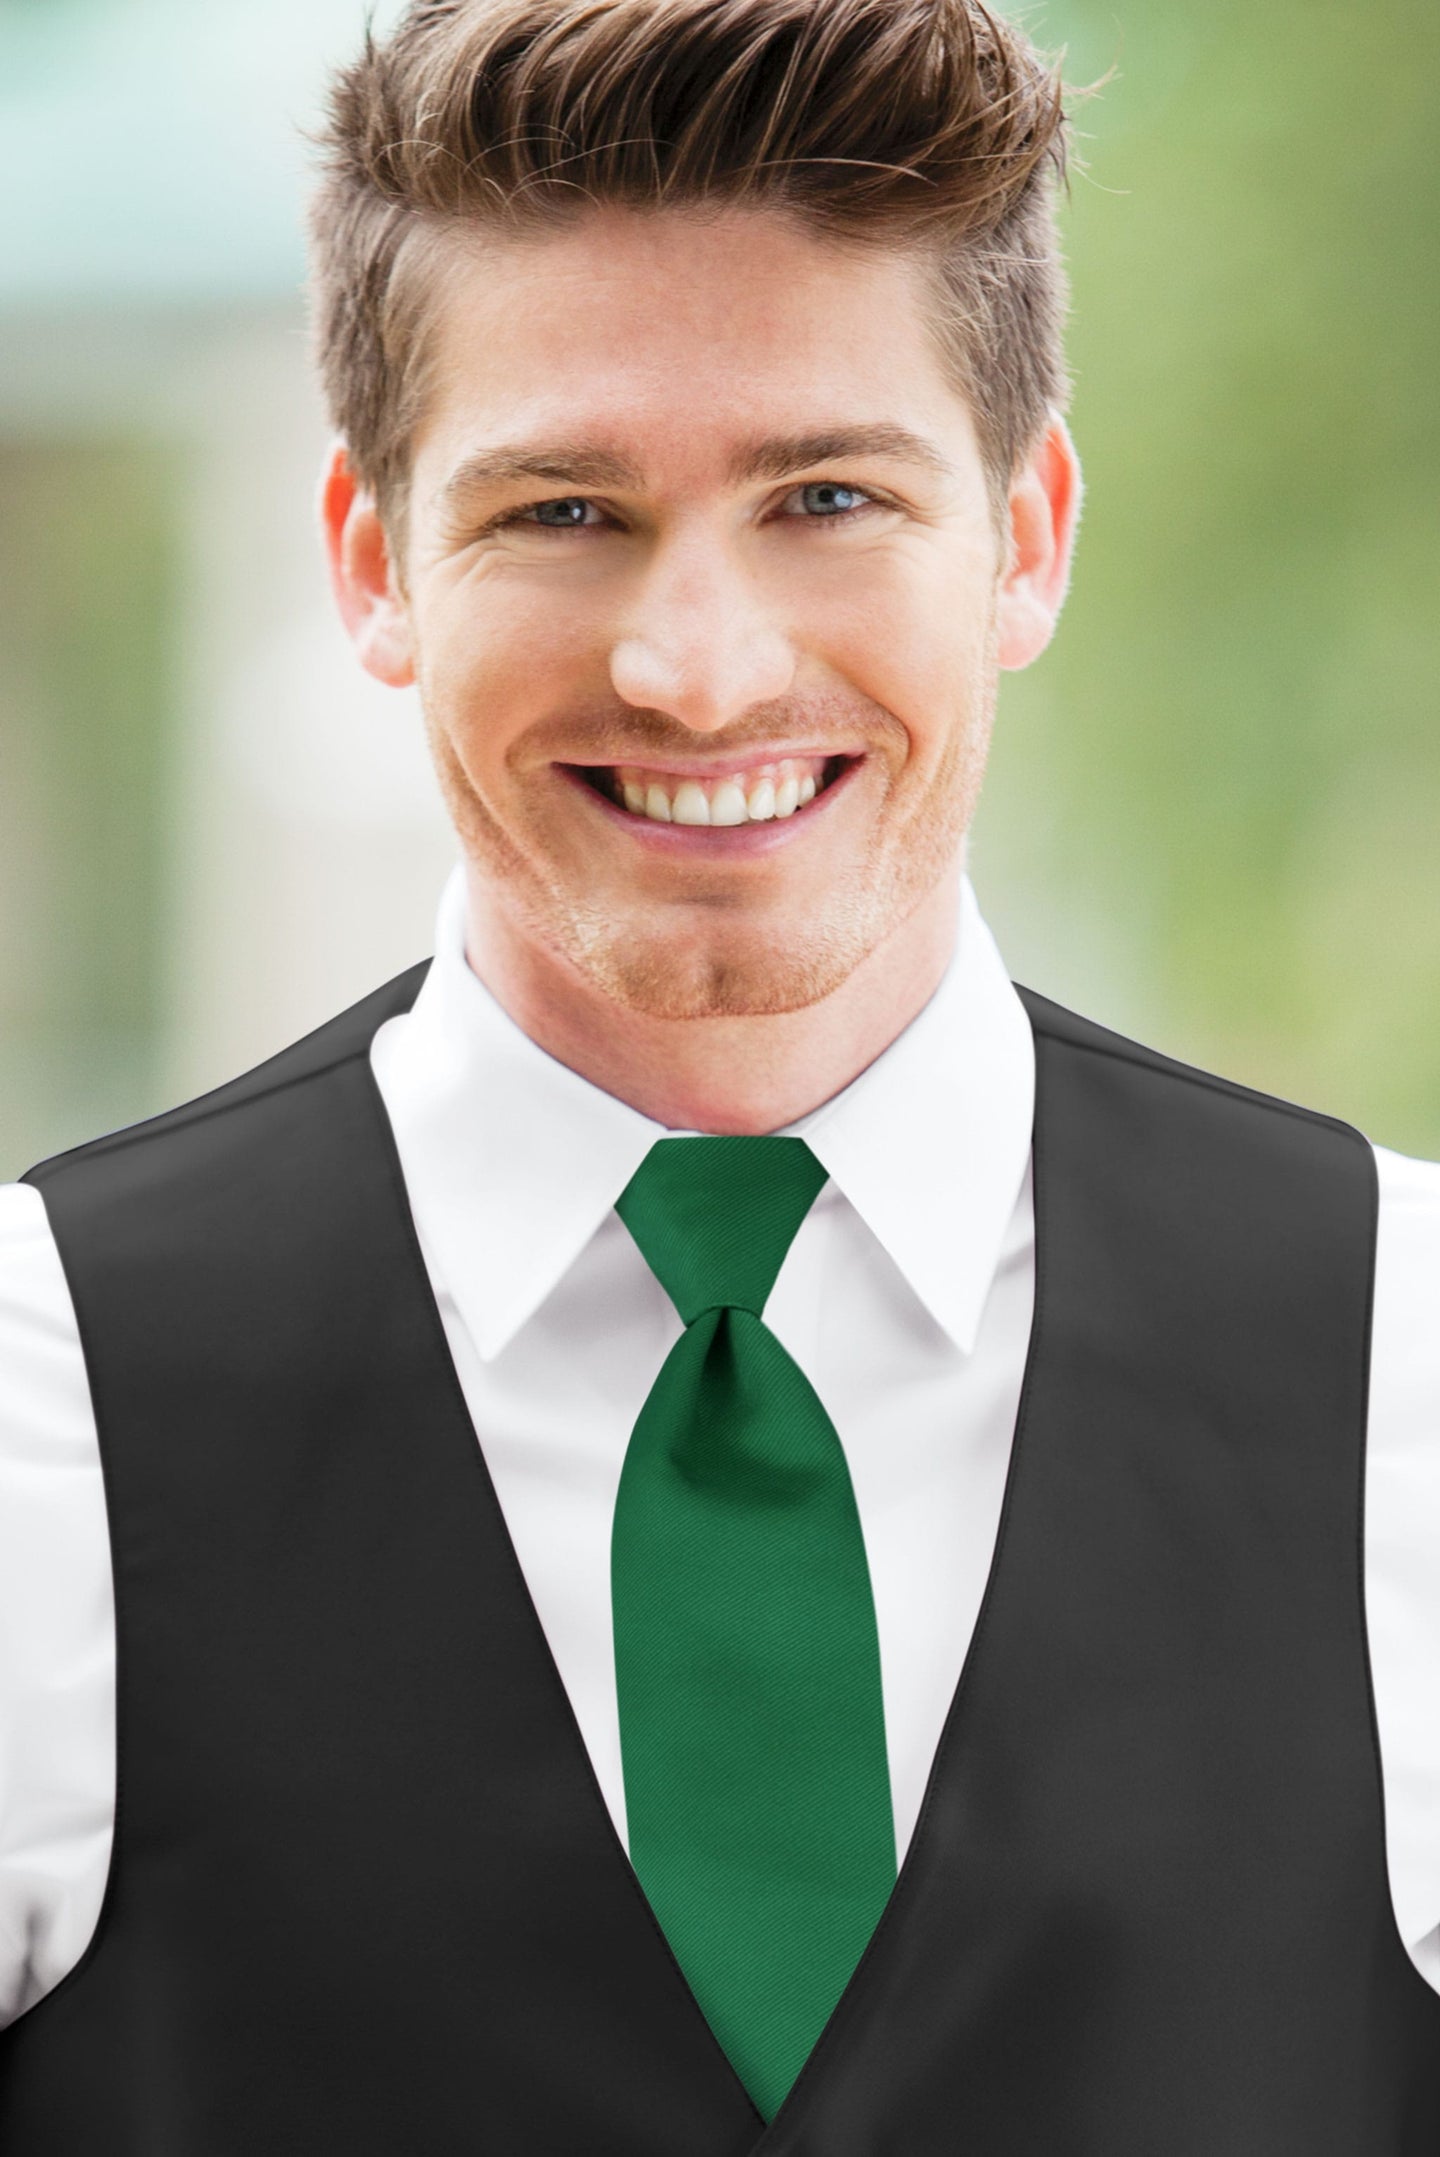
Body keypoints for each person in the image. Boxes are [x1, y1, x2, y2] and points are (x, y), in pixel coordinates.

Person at [0, 0, 1437, 2145]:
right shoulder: (30, 1402)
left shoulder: (1416, 1355)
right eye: (564, 509)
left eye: (830, 494)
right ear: (373, 559)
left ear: (1027, 535)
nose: (699, 667)